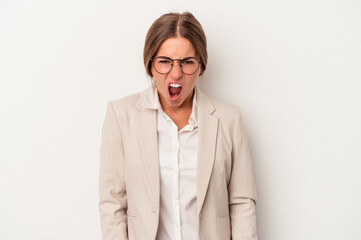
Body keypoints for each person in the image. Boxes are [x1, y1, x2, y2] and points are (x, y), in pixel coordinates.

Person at [99, 12, 258, 240]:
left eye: (187, 62)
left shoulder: (228, 119)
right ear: (150, 64)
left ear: (201, 66)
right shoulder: (121, 116)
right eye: (165, 61)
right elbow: (112, 203)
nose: (176, 73)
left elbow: (242, 203)